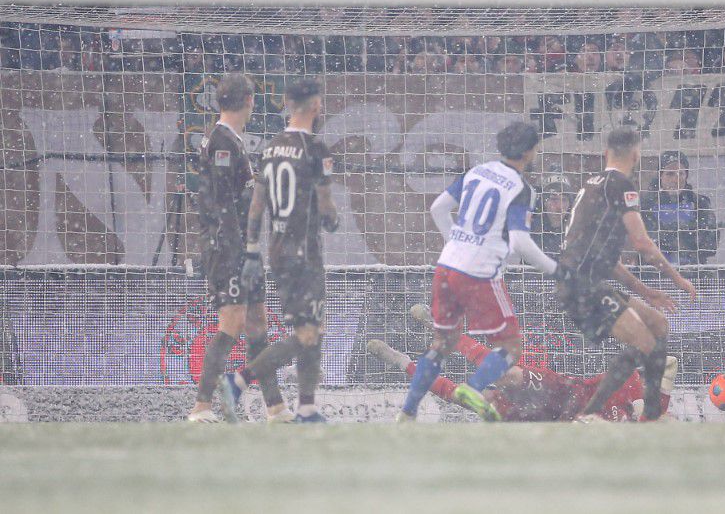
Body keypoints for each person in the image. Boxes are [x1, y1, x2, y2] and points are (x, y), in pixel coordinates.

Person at [399, 121, 562, 422]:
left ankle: (408, 411)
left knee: (441, 344)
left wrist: (455, 242)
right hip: (479, 272)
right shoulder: (521, 188)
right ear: (528, 152)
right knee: (512, 347)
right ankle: (473, 387)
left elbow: (437, 208)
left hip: (447, 265)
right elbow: (521, 242)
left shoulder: (476, 172)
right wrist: (557, 271)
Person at [556, 127, 698, 422]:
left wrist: (646, 292)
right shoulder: (622, 186)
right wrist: (678, 279)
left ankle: (651, 412)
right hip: (582, 285)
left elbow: (608, 261)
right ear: (636, 155)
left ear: (605, 154)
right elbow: (642, 243)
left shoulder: (592, 186)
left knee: (658, 325)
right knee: (644, 342)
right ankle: (593, 414)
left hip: (581, 281)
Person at [220, 79, 337, 424]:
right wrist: (331, 218)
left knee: (309, 327)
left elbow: (256, 206)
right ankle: (239, 380)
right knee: (308, 333)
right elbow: (326, 207)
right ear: (316, 106)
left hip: (276, 249)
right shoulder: (317, 149)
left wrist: (253, 250)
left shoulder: (270, 149)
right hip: (305, 250)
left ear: (288, 105)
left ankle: (306, 407)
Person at [187, 74, 293, 424]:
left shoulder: (230, 140)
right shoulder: (220, 142)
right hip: (228, 249)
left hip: (242, 248)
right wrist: (239, 250)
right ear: (249, 100)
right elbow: (221, 206)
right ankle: (201, 407)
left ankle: (275, 407)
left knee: (257, 323)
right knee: (231, 322)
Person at [366, 305, 674, 422]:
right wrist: (639, 407)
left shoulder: (627, 440)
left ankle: (404, 362)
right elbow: (661, 368)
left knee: (474, 400)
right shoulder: (641, 401)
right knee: (508, 375)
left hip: (543, 423)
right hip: (563, 394)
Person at [641, 151, 719, 264]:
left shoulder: (699, 203)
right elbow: (642, 242)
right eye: (670, 174)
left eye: (680, 174)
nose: (675, 180)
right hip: (654, 272)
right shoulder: (646, 204)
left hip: (692, 272)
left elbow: (710, 245)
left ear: (686, 175)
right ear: (660, 176)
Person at [531, 173, 573, 257]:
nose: (559, 206)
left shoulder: (573, 232)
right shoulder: (530, 230)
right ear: (544, 202)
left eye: (564, 200)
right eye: (554, 199)